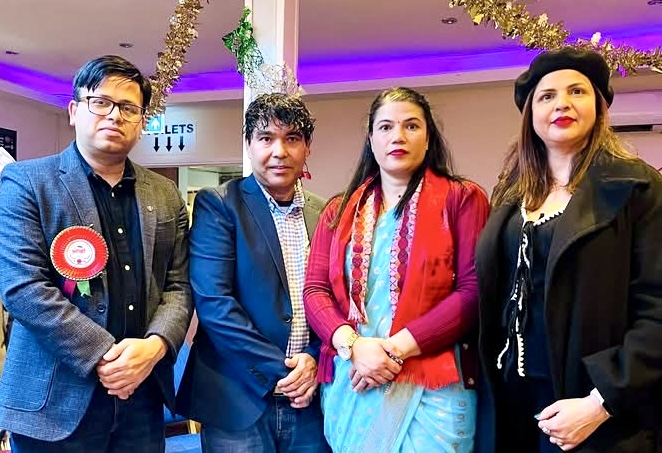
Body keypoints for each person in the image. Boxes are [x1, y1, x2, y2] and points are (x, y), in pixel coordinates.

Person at [0, 55, 193, 452]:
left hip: (141, 398)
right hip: (54, 401)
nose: (115, 115)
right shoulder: (26, 182)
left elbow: (179, 285)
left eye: (128, 108)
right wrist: (107, 356)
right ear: (74, 111)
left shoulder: (165, 193)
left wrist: (155, 346)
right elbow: (23, 288)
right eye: (100, 102)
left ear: (141, 121)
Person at [475, 47, 662, 452]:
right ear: (530, 114)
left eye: (577, 91)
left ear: (598, 104)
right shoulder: (510, 193)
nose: (562, 103)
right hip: (511, 402)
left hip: (592, 407)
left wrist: (601, 401)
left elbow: (657, 311)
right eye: (547, 95)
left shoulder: (637, 187)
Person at [303, 87, 489, 452]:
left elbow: (473, 292)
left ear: (428, 137)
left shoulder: (462, 199)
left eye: (411, 126)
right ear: (371, 139)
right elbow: (315, 291)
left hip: (433, 388)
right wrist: (354, 347)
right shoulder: (338, 210)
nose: (398, 136)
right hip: (354, 377)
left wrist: (393, 351)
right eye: (386, 127)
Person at [177, 93, 330, 452]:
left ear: (307, 147)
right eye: (266, 138)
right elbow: (215, 304)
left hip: (308, 400)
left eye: (292, 138)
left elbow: (333, 299)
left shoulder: (326, 212)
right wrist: (285, 371)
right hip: (237, 397)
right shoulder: (219, 205)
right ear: (248, 144)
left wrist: (314, 358)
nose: (279, 151)